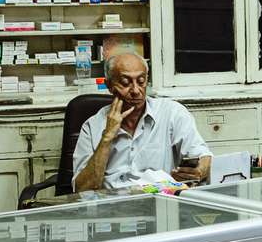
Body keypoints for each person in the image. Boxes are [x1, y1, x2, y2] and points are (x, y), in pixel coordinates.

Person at [70, 51, 212, 192]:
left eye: (141, 81)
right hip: (113, 205)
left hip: (159, 201)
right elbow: (82, 189)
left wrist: (199, 170)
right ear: (109, 86)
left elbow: (204, 157)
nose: (136, 90)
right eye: (126, 83)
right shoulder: (92, 126)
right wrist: (107, 137)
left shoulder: (172, 113)